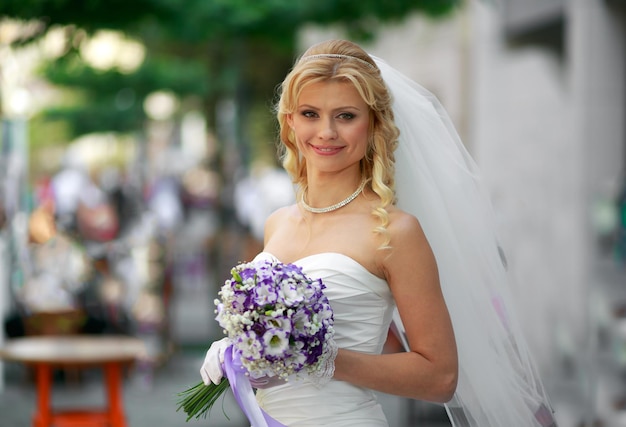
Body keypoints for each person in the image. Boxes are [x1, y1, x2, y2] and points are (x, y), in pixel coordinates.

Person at [200, 39, 556, 427]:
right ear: (290, 121)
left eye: (346, 116)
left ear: (374, 124)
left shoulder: (395, 231)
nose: (326, 132)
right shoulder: (277, 222)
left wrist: (324, 358)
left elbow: (441, 378)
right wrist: (240, 351)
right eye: (310, 113)